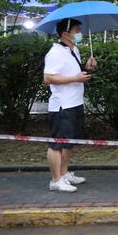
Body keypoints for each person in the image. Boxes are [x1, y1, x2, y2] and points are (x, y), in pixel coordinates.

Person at [43, 18, 96, 192]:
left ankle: (64, 173)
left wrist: (87, 68)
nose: (79, 33)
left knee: (68, 142)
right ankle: (55, 180)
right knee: (57, 144)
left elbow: (75, 72)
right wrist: (75, 78)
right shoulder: (55, 52)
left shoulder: (73, 49)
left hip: (75, 102)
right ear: (65, 34)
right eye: (77, 30)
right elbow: (48, 78)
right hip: (62, 106)